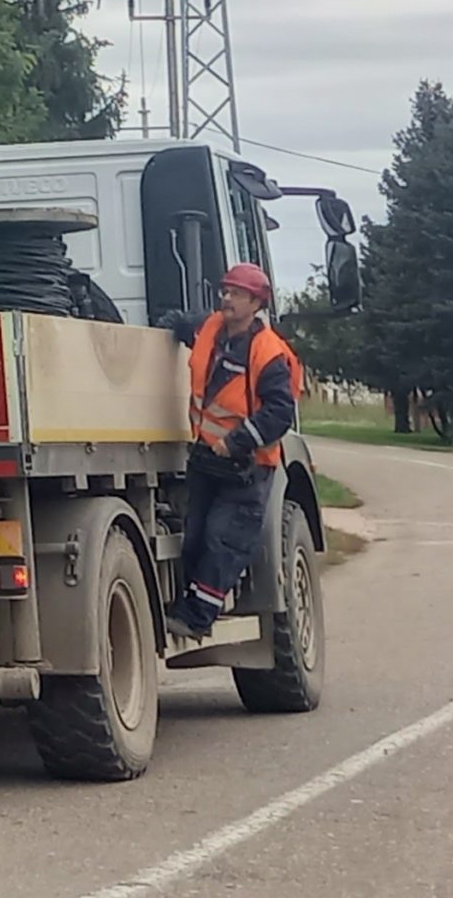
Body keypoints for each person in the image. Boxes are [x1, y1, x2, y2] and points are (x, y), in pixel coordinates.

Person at [163, 261, 304, 637]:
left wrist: (237, 441)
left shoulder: (268, 353)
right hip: (206, 460)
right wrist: (165, 326)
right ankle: (191, 609)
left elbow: (279, 413)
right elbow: (183, 325)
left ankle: (196, 618)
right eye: (225, 291)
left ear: (256, 303)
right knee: (194, 539)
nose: (226, 298)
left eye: (236, 293)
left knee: (222, 540)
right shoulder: (210, 328)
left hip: (247, 466)